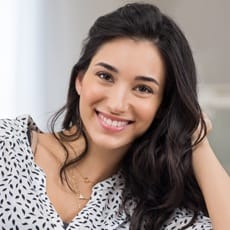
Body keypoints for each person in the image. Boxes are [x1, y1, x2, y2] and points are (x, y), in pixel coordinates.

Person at [0, 2, 229, 230]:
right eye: (105, 76)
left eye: (143, 89)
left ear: (162, 107)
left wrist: (197, 139)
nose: (117, 104)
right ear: (80, 80)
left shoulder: (155, 212)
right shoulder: (7, 146)